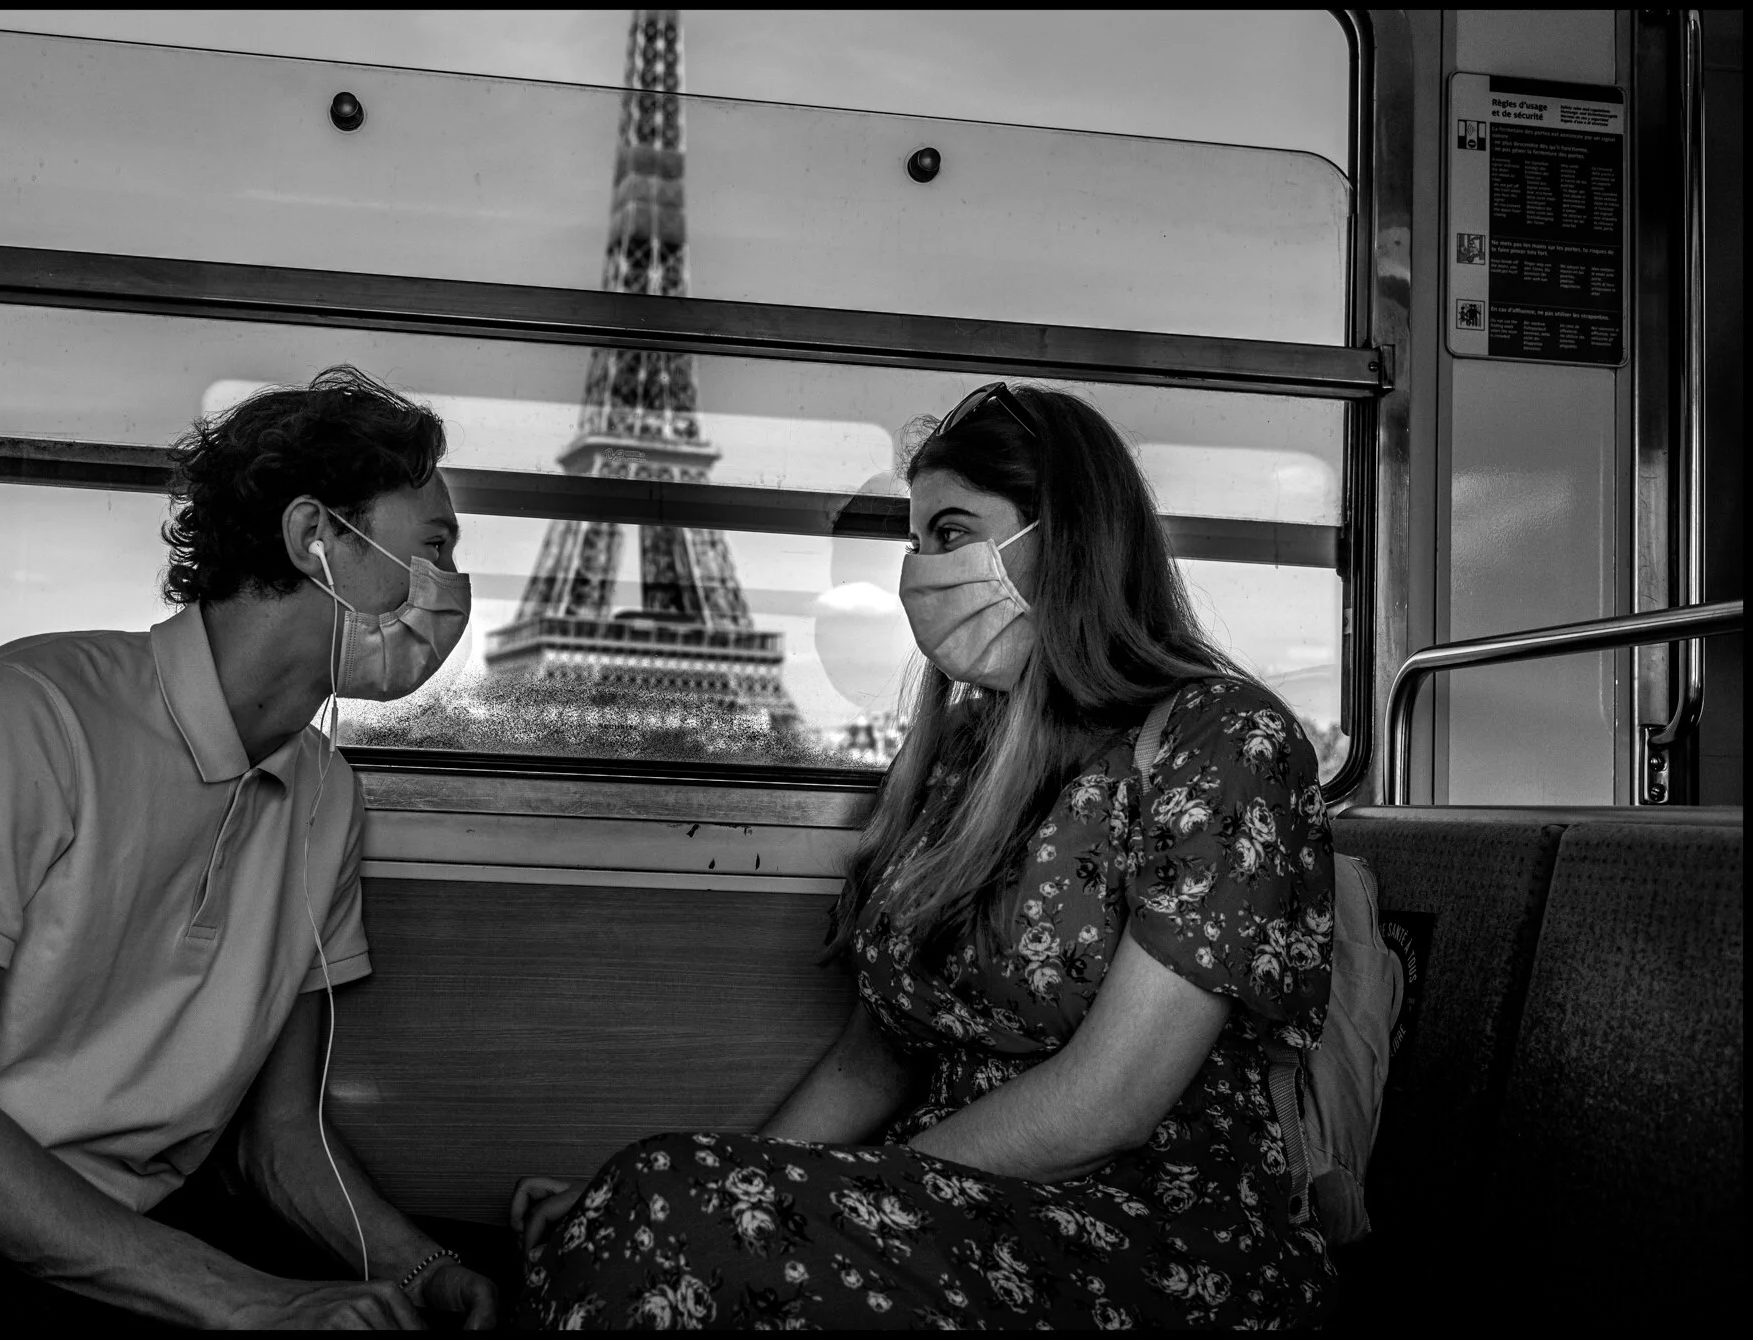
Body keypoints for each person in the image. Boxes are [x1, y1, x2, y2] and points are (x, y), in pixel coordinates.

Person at [510, 383, 1338, 1329]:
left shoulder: (1224, 741)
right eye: (916, 542)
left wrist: (802, 1195)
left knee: (666, 1200)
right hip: (946, 1202)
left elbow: (1109, 1102)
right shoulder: (960, 759)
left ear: (1063, 538)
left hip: (1146, 1233)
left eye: (951, 533)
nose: (921, 571)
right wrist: (759, 1177)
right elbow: (877, 1061)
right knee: (646, 1198)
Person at [0, 366, 499, 1330]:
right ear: (315, 539)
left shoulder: (326, 793)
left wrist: (423, 1269)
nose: (450, 590)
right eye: (435, 546)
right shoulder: (19, 722)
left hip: (155, 1225)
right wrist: (252, 1305)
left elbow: (280, 1139)